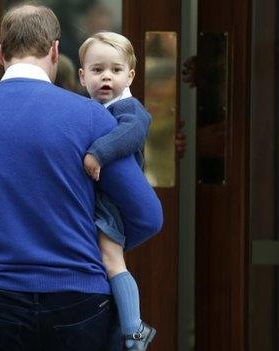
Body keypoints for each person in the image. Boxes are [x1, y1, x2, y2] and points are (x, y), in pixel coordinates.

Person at [0, 4, 163, 351]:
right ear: (54, 50)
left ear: (1, 54)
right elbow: (148, 216)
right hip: (83, 302)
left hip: (2, 301)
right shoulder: (92, 118)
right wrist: (96, 252)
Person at [77, 31, 156, 350]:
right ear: (82, 77)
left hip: (111, 205)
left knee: (112, 260)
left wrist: (97, 154)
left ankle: (135, 331)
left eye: (116, 70)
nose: (106, 77)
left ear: (131, 75)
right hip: (94, 201)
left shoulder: (130, 110)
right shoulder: (87, 109)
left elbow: (131, 135)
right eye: (97, 70)